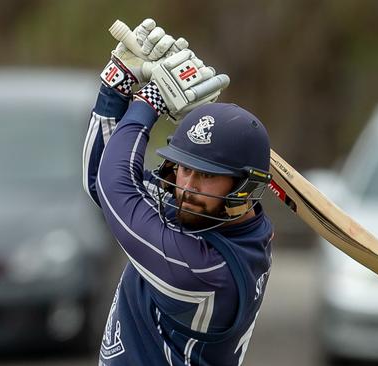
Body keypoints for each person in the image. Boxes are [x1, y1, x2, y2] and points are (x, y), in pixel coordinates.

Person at [83, 19, 274, 365]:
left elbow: (115, 187)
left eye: (206, 175)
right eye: (185, 167)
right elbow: (102, 177)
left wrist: (150, 100)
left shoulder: (207, 274)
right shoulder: (209, 214)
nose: (186, 187)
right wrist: (118, 82)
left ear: (245, 188)